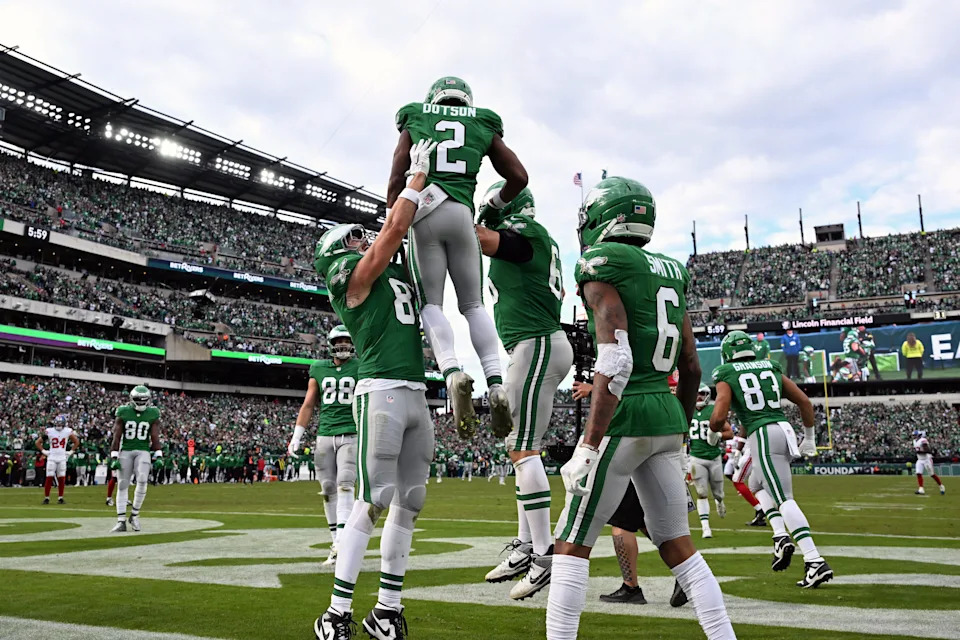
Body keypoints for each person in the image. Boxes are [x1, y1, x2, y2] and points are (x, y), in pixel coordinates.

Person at [547, 176, 735, 640]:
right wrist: (681, 424)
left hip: (625, 415)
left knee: (571, 545)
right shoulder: (671, 269)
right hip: (667, 415)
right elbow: (690, 365)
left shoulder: (602, 263)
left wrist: (588, 445)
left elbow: (616, 358)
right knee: (678, 545)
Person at [312, 139, 438, 640]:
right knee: (373, 497)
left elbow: (402, 227)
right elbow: (394, 227)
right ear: (337, 257)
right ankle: (336, 613)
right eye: (354, 240)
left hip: (414, 391)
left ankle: (387, 609)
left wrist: (406, 159)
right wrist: (415, 181)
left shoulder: (389, 274)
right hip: (380, 389)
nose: (365, 242)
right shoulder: (352, 283)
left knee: (411, 497)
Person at [388, 77, 529, 440]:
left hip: (424, 212)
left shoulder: (416, 115)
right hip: (463, 215)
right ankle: (495, 384)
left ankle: (453, 373)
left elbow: (395, 174)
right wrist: (496, 202)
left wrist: (395, 216)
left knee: (431, 303)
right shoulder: (481, 121)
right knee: (473, 305)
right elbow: (518, 176)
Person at [476, 182, 573, 600]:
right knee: (519, 448)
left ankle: (544, 554)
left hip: (536, 343)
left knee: (522, 448)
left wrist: (479, 208)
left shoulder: (528, 235)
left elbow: (478, 237)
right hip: (534, 345)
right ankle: (526, 546)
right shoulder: (534, 239)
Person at [711, 331, 833, 587]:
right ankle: (780, 536)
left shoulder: (726, 372)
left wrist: (713, 431)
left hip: (764, 434)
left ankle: (814, 560)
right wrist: (809, 438)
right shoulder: (770, 366)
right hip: (779, 430)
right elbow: (804, 401)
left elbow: (719, 415)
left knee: (784, 499)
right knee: (754, 484)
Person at [289, 324, 360, 567]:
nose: (342, 345)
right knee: (328, 488)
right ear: (330, 344)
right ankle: (336, 542)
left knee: (345, 485)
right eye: (338, 341)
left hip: (352, 433)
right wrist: (297, 435)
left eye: (346, 340)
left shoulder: (361, 367)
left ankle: (342, 542)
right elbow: (309, 404)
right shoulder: (319, 368)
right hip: (324, 435)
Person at [110, 386, 162, 532]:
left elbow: (155, 436)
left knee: (143, 479)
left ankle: (134, 515)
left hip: (143, 450)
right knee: (122, 484)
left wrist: (158, 455)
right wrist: (114, 456)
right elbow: (117, 436)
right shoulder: (123, 411)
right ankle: (121, 521)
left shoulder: (153, 413)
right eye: (138, 400)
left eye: (143, 400)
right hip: (125, 450)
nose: (141, 402)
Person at [687, 384, 733, 539]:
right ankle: (705, 527)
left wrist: (718, 435)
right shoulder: (687, 411)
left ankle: (719, 502)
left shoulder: (713, 411)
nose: (698, 397)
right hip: (696, 457)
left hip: (714, 458)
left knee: (718, 493)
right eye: (696, 393)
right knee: (701, 492)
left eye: (701, 394)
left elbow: (730, 433)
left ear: (707, 395)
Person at [36, 415, 80, 504]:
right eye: (58, 423)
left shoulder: (67, 431)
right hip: (52, 457)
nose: (59, 425)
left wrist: (71, 451)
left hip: (61, 457)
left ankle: (60, 497)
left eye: (61, 423)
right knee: (49, 477)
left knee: (61, 478)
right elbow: (37, 442)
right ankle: (47, 497)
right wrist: (43, 451)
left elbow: (76, 442)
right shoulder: (49, 431)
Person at [912, 429, 945, 495]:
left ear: (919, 435)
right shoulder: (914, 441)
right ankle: (921, 489)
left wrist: (920, 452)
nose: (914, 436)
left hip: (927, 459)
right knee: (918, 473)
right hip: (920, 459)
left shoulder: (923, 440)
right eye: (913, 435)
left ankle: (941, 486)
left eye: (915, 435)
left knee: (932, 474)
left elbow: (928, 450)